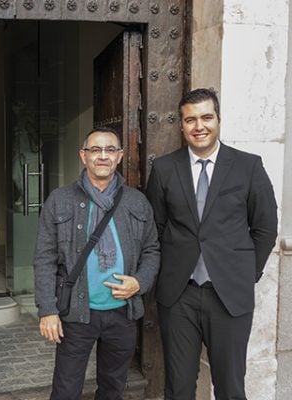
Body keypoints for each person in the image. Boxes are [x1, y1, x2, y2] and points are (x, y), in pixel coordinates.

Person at [146, 88, 278, 400]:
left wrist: (245, 275)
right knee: (178, 389)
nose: (199, 126)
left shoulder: (248, 166)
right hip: (179, 296)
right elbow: (155, 230)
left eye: (206, 117)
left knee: (231, 388)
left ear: (218, 119)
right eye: (190, 120)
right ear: (181, 125)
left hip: (229, 295)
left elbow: (265, 228)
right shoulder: (164, 169)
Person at [34, 127, 160, 400]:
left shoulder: (137, 202)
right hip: (76, 314)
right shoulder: (60, 200)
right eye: (95, 150)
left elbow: (152, 250)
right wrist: (47, 310)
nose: (103, 156)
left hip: (122, 314)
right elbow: (44, 258)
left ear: (119, 156)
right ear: (84, 156)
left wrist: (140, 282)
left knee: (113, 389)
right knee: (66, 390)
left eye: (110, 150)